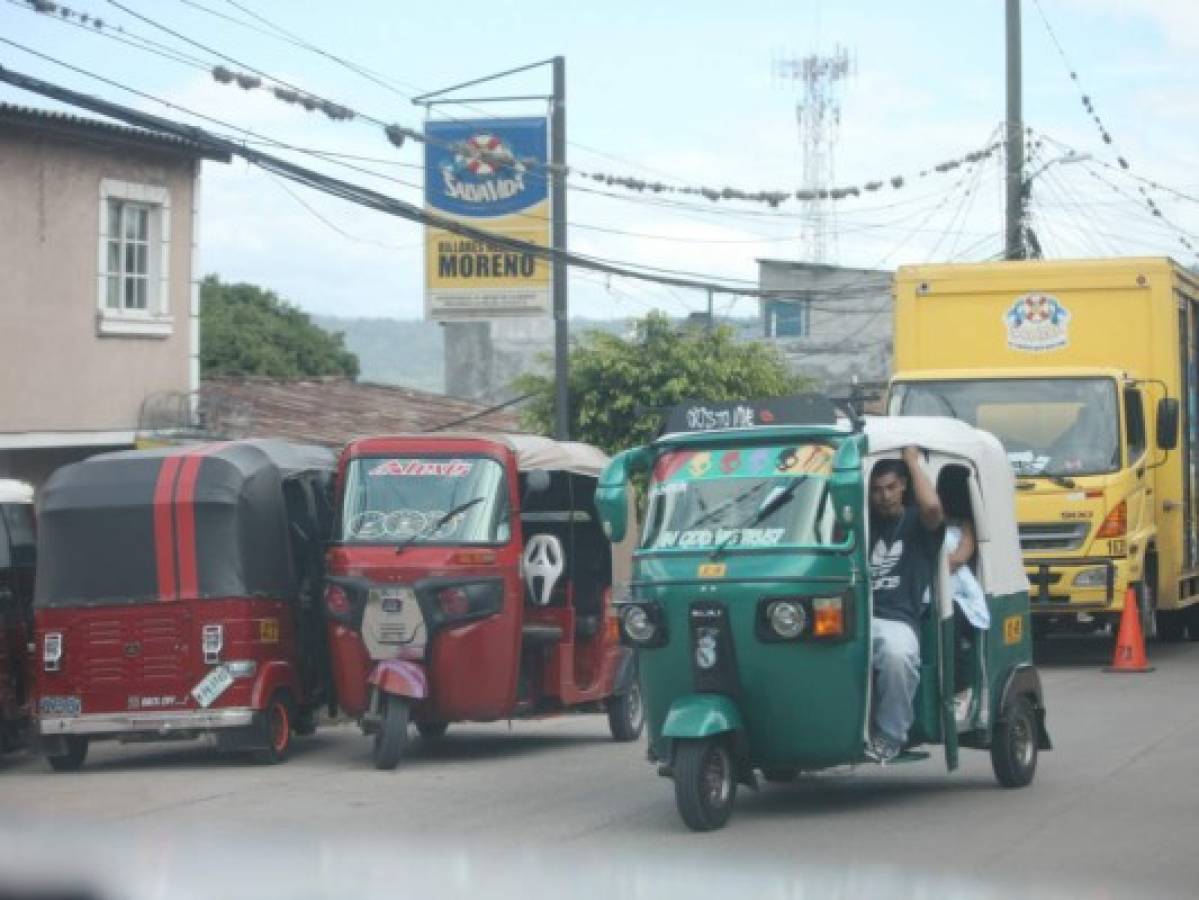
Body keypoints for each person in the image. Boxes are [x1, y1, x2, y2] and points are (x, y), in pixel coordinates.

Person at [866, 446, 944, 764]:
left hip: (897, 619)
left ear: (903, 487)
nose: (884, 496)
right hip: (851, 617)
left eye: (890, 488)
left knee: (897, 655)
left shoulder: (916, 524)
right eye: (876, 490)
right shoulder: (858, 520)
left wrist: (912, 461)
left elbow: (933, 507)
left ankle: (890, 736)